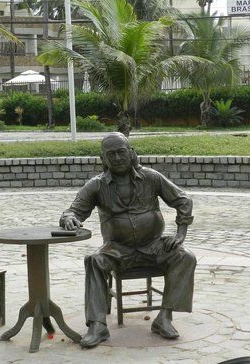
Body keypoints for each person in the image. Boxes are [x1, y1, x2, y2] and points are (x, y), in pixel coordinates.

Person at [60, 132, 196, 348]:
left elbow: (183, 200)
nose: (117, 158)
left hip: (154, 246)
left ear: (131, 153)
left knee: (186, 257)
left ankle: (165, 317)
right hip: (117, 249)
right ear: (103, 159)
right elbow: (73, 210)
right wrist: (69, 218)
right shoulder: (96, 185)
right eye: (110, 154)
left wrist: (180, 234)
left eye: (121, 152)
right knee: (94, 261)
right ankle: (97, 325)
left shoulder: (151, 177)